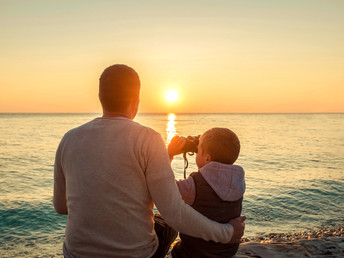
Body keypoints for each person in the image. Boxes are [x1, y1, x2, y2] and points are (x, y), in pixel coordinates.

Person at [53, 64, 246, 258]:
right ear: (136, 101)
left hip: (75, 254)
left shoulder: (69, 139)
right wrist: (228, 233)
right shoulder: (148, 139)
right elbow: (175, 214)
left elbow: (61, 207)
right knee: (165, 220)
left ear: (100, 97)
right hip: (138, 255)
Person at [167, 128, 245, 257]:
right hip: (227, 253)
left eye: (198, 152)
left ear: (207, 158)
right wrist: (204, 145)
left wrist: (170, 154)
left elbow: (165, 186)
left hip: (194, 253)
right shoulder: (238, 181)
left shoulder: (194, 185)